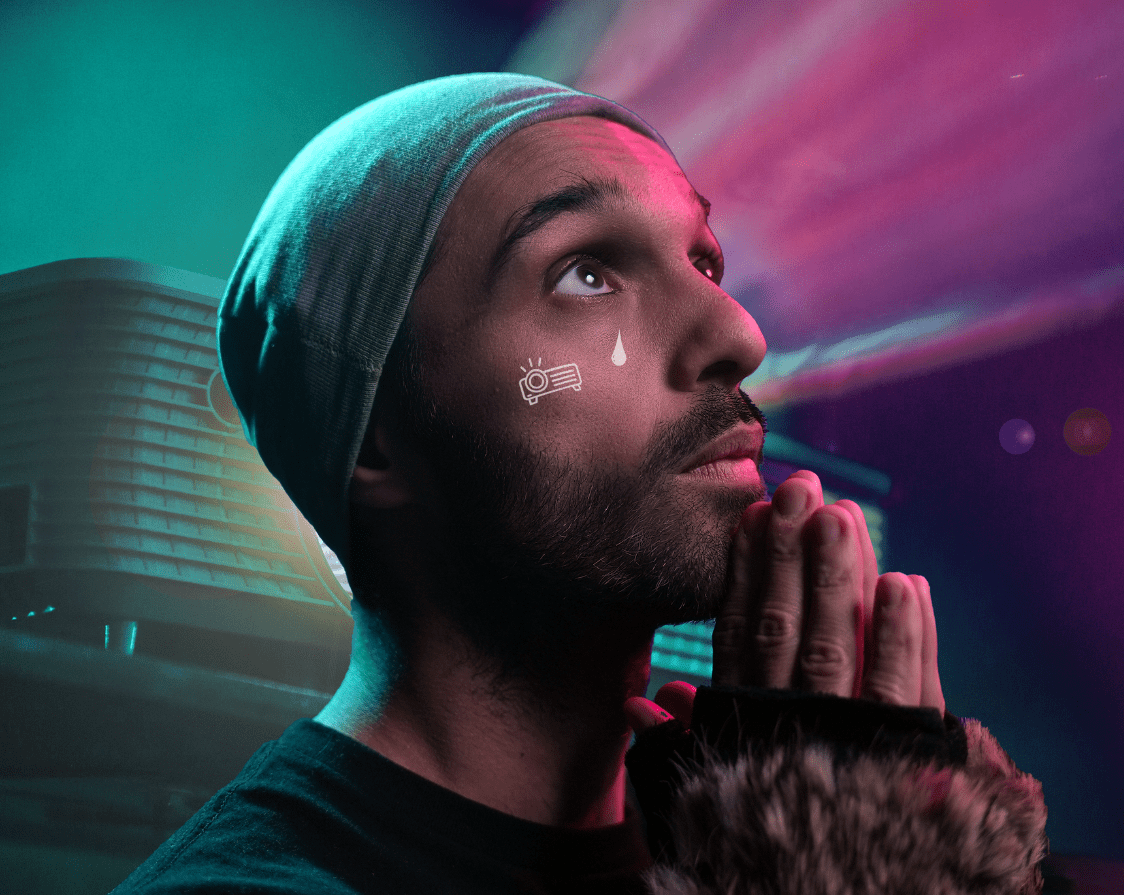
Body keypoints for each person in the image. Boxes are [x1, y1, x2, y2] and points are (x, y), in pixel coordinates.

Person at [112, 73, 1047, 894]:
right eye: (585, 273)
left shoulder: (712, 834)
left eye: (701, 260)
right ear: (376, 438)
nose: (738, 335)